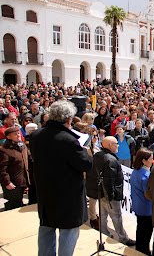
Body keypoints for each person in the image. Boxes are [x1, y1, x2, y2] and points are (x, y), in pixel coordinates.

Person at [30, 100, 93, 256]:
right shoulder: (68, 140)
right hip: (67, 196)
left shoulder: (36, 135)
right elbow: (85, 165)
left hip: (45, 192)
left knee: (46, 229)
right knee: (68, 234)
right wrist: (84, 151)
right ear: (69, 119)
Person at [92, 136, 136, 246]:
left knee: (103, 216)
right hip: (109, 195)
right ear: (110, 145)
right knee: (116, 217)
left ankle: (104, 232)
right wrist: (110, 197)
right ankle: (123, 238)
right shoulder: (110, 159)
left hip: (101, 192)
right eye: (116, 143)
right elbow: (109, 180)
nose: (118, 145)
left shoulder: (98, 155)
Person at [131, 148, 154, 255]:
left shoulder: (135, 171)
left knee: (140, 229)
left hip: (137, 206)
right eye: (151, 159)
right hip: (146, 209)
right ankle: (144, 251)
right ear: (144, 161)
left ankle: (139, 248)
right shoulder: (146, 176)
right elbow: (148, 195)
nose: (153, 161)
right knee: (147, 232)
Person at [0, 127, 28, 210]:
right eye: (15, 134)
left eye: (19, 133)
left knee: (20, 205)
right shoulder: (4, 150)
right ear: (8, 137)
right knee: (13, 206)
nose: (18, 135)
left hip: (22, 181)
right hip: (12, 183)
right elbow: (2, 169)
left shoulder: (22, 146)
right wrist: (7, 182)